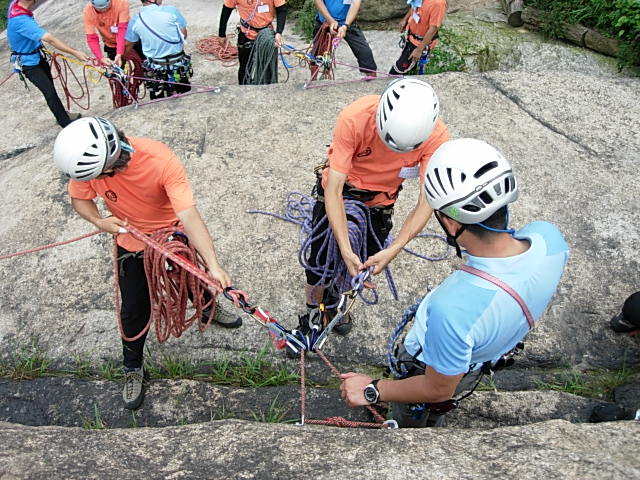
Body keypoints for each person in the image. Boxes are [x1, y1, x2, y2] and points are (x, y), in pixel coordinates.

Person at [339, 138, 570, 428]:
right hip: (477, 361)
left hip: (429, 367)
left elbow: (437, 388)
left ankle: (410, 425)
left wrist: (372, 390)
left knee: (415, 413)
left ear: (450, 223)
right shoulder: (549, 240)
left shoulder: (452, 310)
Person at [53, 117, 240, 409]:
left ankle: (207, 308)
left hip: (172, 235)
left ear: (113, 163)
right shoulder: (88, 164)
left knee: (193, 278)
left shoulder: (159, 160)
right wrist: (100, 221)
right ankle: (133, 367)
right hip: (131, 240)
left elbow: (189, 215)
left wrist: (213, 265)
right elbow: (80, 199)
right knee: (134, 309)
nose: (98, 180)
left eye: (102, 175)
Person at [290, 78, 448, 356]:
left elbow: (427, 201)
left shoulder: (435, 137)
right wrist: (344, 246)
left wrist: (394, 248)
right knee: (318, 261)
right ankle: (313, 309)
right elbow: (334, 189)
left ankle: (336, 299)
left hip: (379, 203)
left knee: (362, 263)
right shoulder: (355, 118)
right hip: (342, 190)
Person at [7, 0, 89, 127]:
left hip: (37, 56)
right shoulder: (21, 20)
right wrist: (75, 53)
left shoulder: (15, 4)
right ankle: (65, 122)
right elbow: (50, 39)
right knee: (49, 92)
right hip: (29, 64)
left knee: (51, 89)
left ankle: (62, 114)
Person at [125, 0, 191, 99]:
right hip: (178, 64)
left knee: (158, 99)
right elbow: (184, 35)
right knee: (185, 95)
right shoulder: (171, 11)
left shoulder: (135, 20)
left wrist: (122, 58)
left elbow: (127, 45)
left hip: (155, 68)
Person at [218, 0, 286, 85]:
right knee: (245, 67)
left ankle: (266, 87)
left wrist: (279, 32)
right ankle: (244, 87)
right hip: (246, 34)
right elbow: (226, 9)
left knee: (267, 67)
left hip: (267, 36)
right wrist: (221, 34)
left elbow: (281, 10)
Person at [313, 0, 376, 76]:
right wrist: (331, 20)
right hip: (325, 21)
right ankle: (313, 78)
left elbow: (355, 3)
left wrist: (345, 26)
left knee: (364, 53)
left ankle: (372, 77)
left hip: (347, 22)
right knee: (317, 53)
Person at [390, 0, 447, 75]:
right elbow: (414, 6)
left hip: (419, 44)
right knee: (407, 68)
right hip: (411, 38)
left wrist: (419, 50)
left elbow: (433, 29)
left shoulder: (438, 3)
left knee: (396, 72)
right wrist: (405, 19)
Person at [83, 0, 135, 67]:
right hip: (110, 44)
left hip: (130, 40)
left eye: (106, 8)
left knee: (142, 64)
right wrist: (100, 58)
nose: (104, 11)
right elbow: (92, 38)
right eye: (100, 10)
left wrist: (119, 53)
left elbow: (122, 29)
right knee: (115, 68)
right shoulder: (88, 11)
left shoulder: (121, 2)